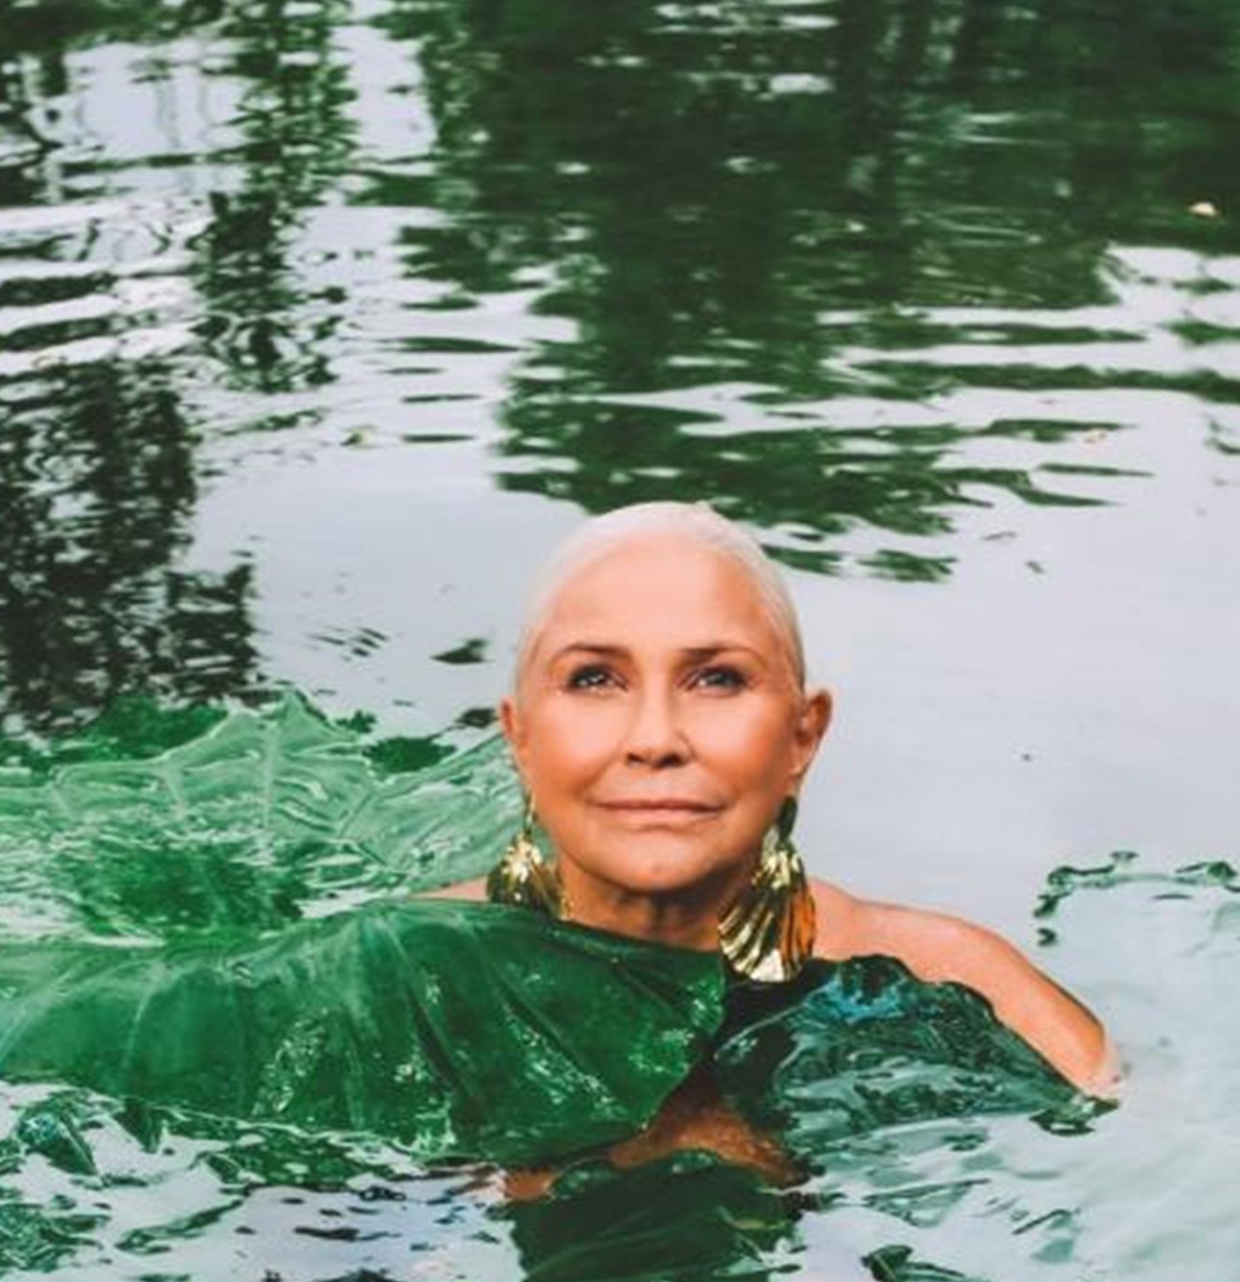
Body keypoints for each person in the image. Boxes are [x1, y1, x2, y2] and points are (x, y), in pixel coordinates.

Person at [431, 503, 1113, 1186]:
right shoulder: (407, 987)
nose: (655, 739)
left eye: (717, 678)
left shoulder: (975, 996)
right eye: (594, 678)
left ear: (802, 736)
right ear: (520, 738)